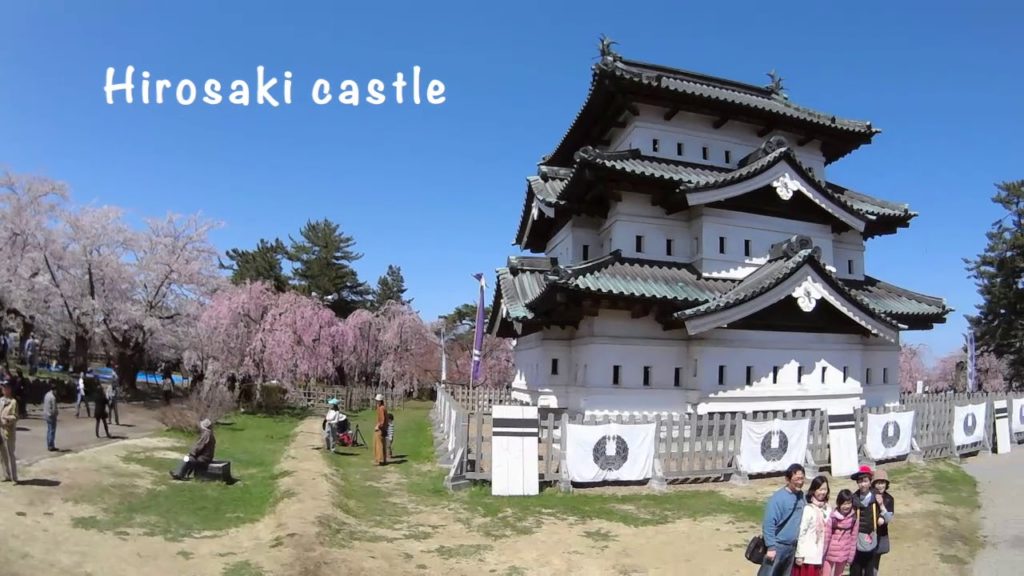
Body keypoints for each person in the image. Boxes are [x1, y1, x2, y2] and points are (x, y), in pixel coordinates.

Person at [757, 463, 806, 575]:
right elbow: (769, 523)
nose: (800, 482)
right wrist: (771, 547)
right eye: (797, 478)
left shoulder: (801, 496)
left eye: (802, 478)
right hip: (777, 546)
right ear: (788, 479)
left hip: (793, 547)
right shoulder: (778, 498)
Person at [849, 465, 884, 576]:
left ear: (870, 482)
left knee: (869, 567)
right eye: (860, 481)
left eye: (865, 481)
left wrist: (882, 515)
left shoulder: (877, 497)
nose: (862, 484)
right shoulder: (853, 498)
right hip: (857, 537)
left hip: (871, 536)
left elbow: (886, 516)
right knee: (856, 568)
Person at [794, 475, 832, 576]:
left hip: (821, 555)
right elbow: (802, 532)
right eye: (820, 489)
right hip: (808, 557)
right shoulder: (808, 509)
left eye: (825, 489)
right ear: (814, 490)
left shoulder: (828, 509)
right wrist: (799, 555)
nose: (823, 492)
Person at [823, 489, 857, 576]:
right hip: (830, 553)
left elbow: (854, 539)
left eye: (849, 503)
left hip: (844, 553)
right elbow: (827, 537)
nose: (847, 506)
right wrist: (823, 553)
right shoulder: (833, 517)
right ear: (839, 503)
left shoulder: (853, 518)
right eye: (844, 503)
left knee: (839, 574)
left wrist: (850, 557)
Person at [871, 469, 895, 574]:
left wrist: (881, 506)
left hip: (881, 534)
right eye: (878, 483)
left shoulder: (889, 499)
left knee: (875, 560)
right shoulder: (869, 496)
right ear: (873, 484)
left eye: (883, 483)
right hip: (867, 533)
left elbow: (888, 518)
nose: (880, 486)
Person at [0, 380, 19, 483]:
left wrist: (6, 419)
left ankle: (14, 477)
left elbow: (15, 417)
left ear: (10, 389)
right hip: (0, 431)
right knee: (2, 454)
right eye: (2, 387)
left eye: (5, 387)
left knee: (10, 454)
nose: (4, 389)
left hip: (8, 431)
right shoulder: (0, 400)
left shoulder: (13, 402)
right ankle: (6, 475)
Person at [42, 380, 58, 451]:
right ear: (54, 390)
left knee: (49, 430)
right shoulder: (53, 398)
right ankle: (51, 445)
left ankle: (48, 444)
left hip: (46, 414)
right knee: (52, 430)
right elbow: (54, 409)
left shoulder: (46, 394)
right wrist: (56, 414)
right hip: (51, 415)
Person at [373, 393, 388, 466]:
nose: (377, 402)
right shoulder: (382, 407)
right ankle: (383, 459)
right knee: (382, 443)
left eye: (377, 400)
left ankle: (379, 460)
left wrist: (378, 426)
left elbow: (382, 420)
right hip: (384, 428)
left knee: (379, 444)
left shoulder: (381, 408)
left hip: (381, 429)